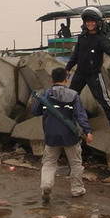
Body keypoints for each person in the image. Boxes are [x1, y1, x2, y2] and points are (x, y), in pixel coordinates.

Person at [31, 67, 93, 202]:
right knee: (75, 163)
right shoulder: (74, 95)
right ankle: (77, 189)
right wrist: (87, 131)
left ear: (51, 80)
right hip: (69, 135)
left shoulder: (46, 95)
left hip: (51, 135)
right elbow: (80, 115)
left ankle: (46, 185)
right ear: (66, 79)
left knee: (49, 163)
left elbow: (34, 111)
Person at [65, 6, 110, 128]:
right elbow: (75, 55)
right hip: (79, 73)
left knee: (102, 97)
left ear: (97, 22)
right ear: (84, 23)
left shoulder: (101, 39)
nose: (90, 23)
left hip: (94, 74)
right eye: (87, 21)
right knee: (71, 95)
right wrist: (67, 68)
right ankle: (66, 115)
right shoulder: (82, 37)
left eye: (92, 21)